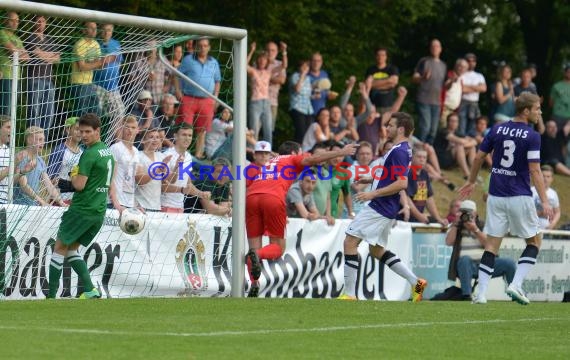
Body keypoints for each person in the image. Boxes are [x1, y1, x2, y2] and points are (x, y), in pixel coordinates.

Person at [458, 92, 553, 305]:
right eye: (537, 109)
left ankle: (480, 295)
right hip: (519, 196)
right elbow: (535, 170)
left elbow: (479, 156)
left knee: (492, 245)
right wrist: (545, 201)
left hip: (496, 196)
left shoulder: (497, 129)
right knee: (535, 241)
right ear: (526, 111)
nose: (540, 112)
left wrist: (472, 181)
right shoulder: (532, 136)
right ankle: (516, 284)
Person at [245, 140, 359, 297]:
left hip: (250, 198)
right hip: (272, 198)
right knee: (278, 248)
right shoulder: (292, 159)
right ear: (294, 153)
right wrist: (341, 152)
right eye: (300, 152)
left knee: (254, 246)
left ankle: (254, 284)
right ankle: (257, 256)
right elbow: (313, 159)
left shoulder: (270, 162)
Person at [339, 112, 428, 301]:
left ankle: (349, 294)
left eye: (390, 125)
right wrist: (371, 178)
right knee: (376, 250)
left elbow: (402, 183)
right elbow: (391, 175)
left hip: (380, 206)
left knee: (350, 241)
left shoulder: (399, 151)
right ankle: (415, 282)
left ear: (401, 129)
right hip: (387, 207)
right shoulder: (401, 149)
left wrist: (373, 193)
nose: (386, 128)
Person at [47, 113, 116, 299]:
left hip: (82, 209)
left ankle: (50, 296)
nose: (84, 135)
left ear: (97, 131)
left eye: (88, 132)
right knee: (71, 249)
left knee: (60, 247)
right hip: (98, 210)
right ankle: (90, 289)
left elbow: (78, 185)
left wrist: (67, 177)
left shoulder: (90, 153)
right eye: (81, 131)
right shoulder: (107, 152)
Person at [445, 200, 515, 301]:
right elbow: (448, 242)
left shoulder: (483, 225)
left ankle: (515, 292)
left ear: (475, 213)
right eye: (463, 211)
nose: (466, 215)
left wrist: (475, 230)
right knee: (464, 260)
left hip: (486, 263)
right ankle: (467, 295)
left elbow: (490, 245)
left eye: (469, 212)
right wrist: (456, 224)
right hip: (467, 265)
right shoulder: (456, 227)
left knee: (509, 263)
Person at [174, 38, 221, 160]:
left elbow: (217, 81)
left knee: (202, 130)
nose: (203, 48)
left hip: (207, 99)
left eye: (205, 45)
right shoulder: (188, 60)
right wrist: (178, 91)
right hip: (189, 97)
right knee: (185, 128)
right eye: (200, 45)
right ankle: (182, 155)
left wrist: (215, 97)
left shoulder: (214, 62)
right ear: (195, 47)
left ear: (209, 47)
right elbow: (176, 74)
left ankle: (198, 155)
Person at [160, 123, 211, 213]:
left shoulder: (188, 156)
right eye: (184, 135)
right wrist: (176, 169)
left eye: (190, 135)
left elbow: (188, 184)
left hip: (180, 207)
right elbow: (162, 186)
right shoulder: (167, 155)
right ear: (175, 136)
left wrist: (201, 194)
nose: (187, 138)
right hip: (165, 206)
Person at [23, 15, 60, 134]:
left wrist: (45, 55)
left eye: (43, 21)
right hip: (35, 79)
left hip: (49, 80)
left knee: (49, 112)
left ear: (46, 24)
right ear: (34, 23)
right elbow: (37, 54)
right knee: (34, 111)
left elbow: (58, 58)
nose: (40, 23)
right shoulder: (30, 37)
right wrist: (49, 56)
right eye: (38, 21)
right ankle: (33, 139)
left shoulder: (49, 38)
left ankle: (42, 140)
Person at [14, 126, 66, 207]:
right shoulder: (21, 157)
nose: (43, 143)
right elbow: (23, 185)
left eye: (44, 140)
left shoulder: (40, 161)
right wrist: (42, 202)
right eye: (40, 139)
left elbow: (48, 184)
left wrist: (61, 202)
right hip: (18, 205)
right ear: (29, 140)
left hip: (32, 205)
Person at [413, 39, 446, 144]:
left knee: (433, 130)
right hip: (424, 99)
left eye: (437, 46)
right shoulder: (424, 61)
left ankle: (426, 154)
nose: (435, 48)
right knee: (425, 127)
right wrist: (423, 77)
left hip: (436, 101)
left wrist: (452, 82)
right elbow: (414, 78)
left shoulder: (443, 65)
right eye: (433, 46)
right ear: (430, 48)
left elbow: (444, 85)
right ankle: (418, 150)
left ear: (440, 49)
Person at [403, 149, 448, 226]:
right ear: (411, 158)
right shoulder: (407, 173)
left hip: (418, 218)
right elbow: (407, 199)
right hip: (404, 218)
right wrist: (419, 216)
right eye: (419, 157)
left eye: (424, 157)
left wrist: (438, 218)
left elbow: (428, 198)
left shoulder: (424, 174)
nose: (422, 160)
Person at [135, 128, 172, 212]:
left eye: (158, 137)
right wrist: (158, 170)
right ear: (143, 141)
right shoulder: (138, 156)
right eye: (151, 137)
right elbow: (140, 181)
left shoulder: (161, 156)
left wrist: (177, 167)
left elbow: (165, 183)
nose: (155, 139)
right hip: (140, 206)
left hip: (156, 206)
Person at [47, 117, 83, 203]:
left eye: (82, 130)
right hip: (59, 200)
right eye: (77, 129)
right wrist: (72, 186)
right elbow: (50, 179)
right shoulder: (59, 150)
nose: (80, 133)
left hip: (77, 200)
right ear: (67, 130)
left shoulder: (84, 152)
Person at [365, 47, 399, 113]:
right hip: (372, 105)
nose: (380, 57)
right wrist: (388, 81)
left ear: (386, 57)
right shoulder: (371, 70)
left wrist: (373, 84)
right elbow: (367, 84)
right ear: (375, 56)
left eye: (383, 55)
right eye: (378, 55)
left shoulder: (392, 69)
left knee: (387, 123)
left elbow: (394, 83)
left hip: (388, 104)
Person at [531, 165, 560, 230]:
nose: (545, 179)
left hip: (547, 229)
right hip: (532, 228)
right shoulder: (531, 191)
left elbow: (557, 212)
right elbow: (524, 212)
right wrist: (540, 213)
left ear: (552, 179)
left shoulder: (553, 194)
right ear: (539, 177)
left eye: (548, 177)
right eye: (543, 176)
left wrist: (553, 223)